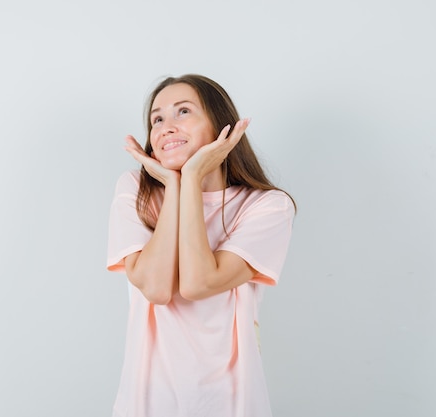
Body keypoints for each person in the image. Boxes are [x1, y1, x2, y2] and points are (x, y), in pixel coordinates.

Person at [106, 74, 296, 417]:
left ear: (221, 127)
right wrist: (173, 187)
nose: (166, 127)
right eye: (157, 119)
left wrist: (191, 178)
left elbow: (198, 283)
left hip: (231, 402)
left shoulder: (267, 206)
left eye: (183, 112)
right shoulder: (136, 189)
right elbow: (156, 288)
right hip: (146, 402)